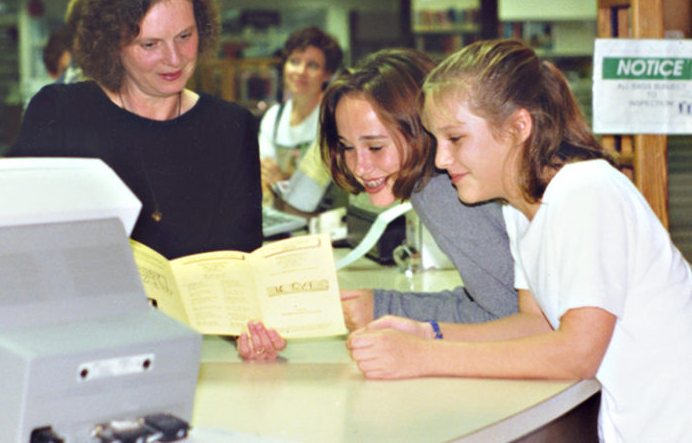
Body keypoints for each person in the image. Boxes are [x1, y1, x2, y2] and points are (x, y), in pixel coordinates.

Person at [346, 39, 692, 442]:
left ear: (518, 128)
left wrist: (424, 357)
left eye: (455, 139)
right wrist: (429, 332)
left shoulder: (586, 188)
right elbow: (535, 323)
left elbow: (578, 353)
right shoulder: (519, 211)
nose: (440, 160)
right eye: (436, 141)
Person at [10, 0, 262, 262]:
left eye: (185, 36)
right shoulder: (60, 114)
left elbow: (243, 258)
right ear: (112, 44)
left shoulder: (232, 127)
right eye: (150, 44)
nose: (175, 58)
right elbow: (23, 243)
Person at [319, 48, 517, 330]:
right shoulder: (437, 184)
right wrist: (381, 306)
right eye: (347, 147)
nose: (360, 167)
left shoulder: (440, 192)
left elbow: (507, 318)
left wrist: (383, 309)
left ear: (420, 130)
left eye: (376, 147)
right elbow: (492, 301)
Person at [259, 26, 342, 199]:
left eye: (312, 65)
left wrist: (280, 179)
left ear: (326, 74)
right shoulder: (274, 117)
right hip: (281, 214)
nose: (301, 72)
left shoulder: (333, 119)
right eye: (294, 61)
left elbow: (314, 190)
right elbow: (263, 175)